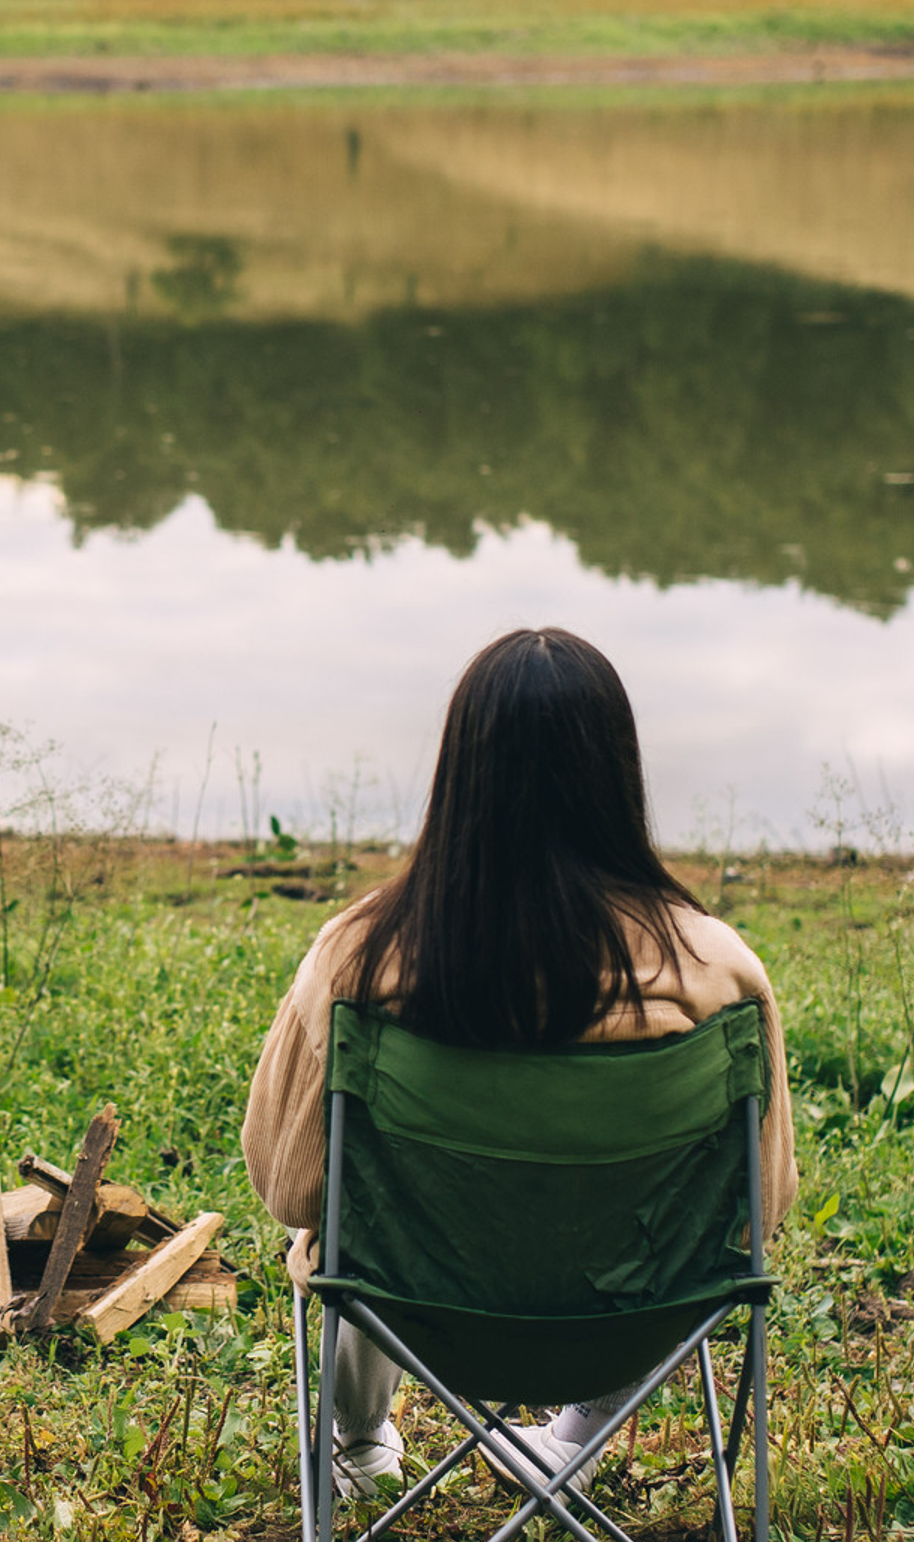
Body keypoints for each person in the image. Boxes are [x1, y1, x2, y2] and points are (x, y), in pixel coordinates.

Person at [241, 626, 794, 1496]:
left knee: (340, 1229)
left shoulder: (356, 959)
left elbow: (288, 1185)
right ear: (618, 773)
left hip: (418, 1315)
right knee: (674, 1240)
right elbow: (759, 1206)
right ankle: (574, 1438)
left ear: (459, 773)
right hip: (627, 1328)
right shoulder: (719, 972)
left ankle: (359, 1446)